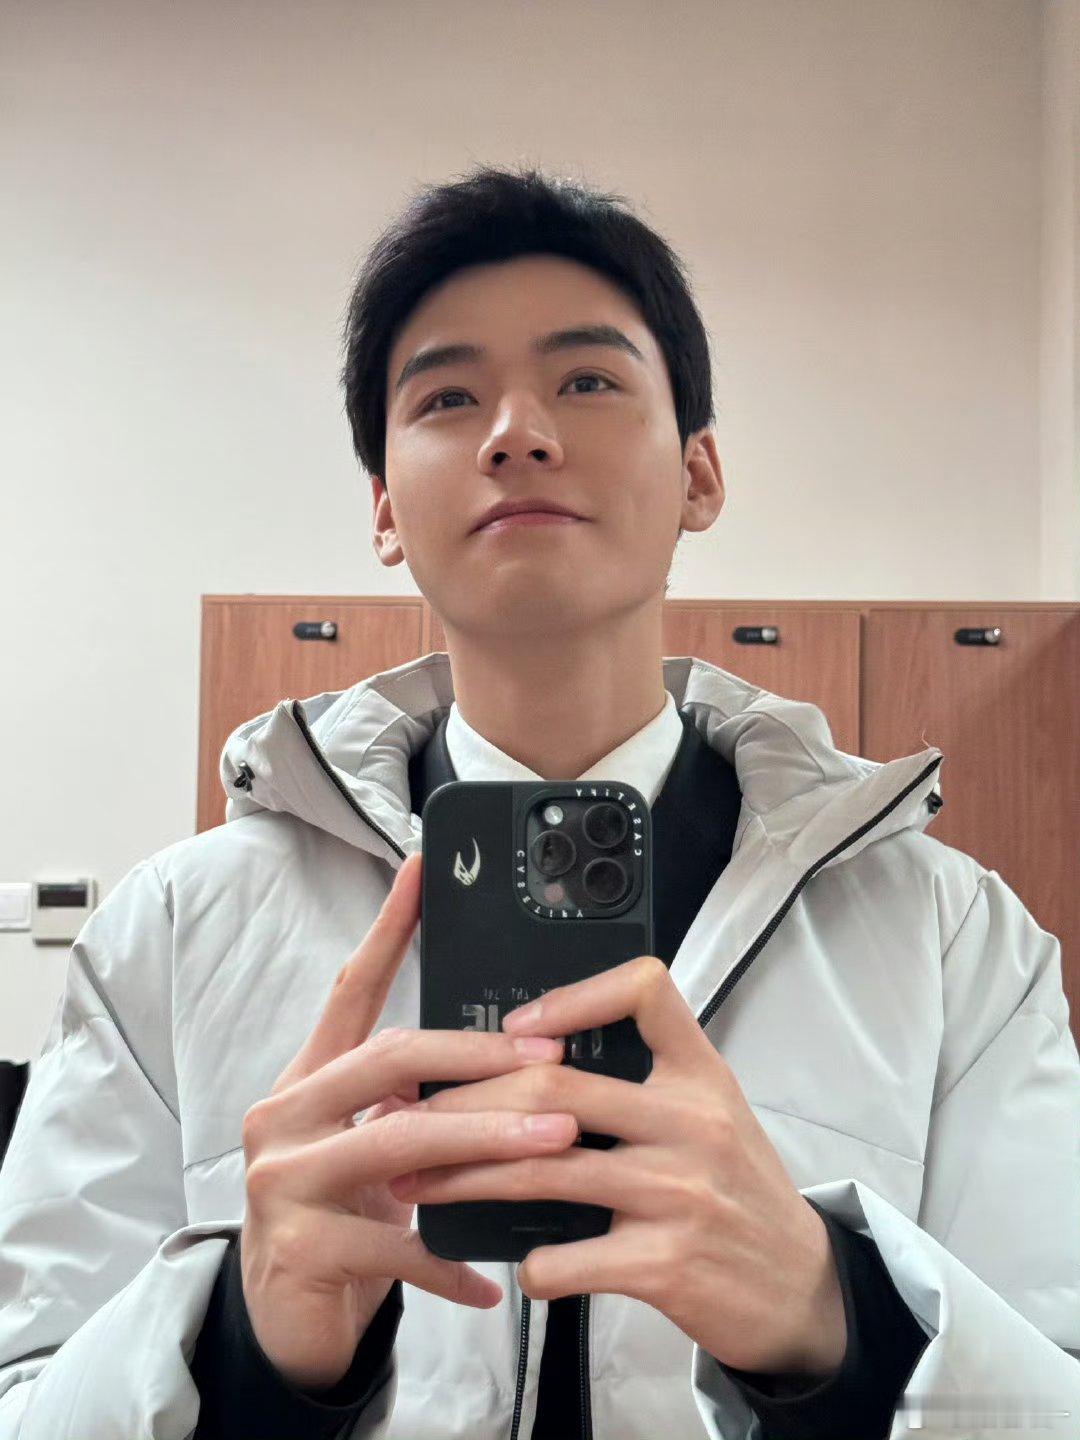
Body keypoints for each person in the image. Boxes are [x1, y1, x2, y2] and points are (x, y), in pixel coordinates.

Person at [1, 165, 1077, 1440]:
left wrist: (835, 1321)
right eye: (448, 397)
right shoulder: (172, 937)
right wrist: (241, 1341)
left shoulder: (955, 943)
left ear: (700, 475)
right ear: (386, 510)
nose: (517, 433)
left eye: (588, 381)